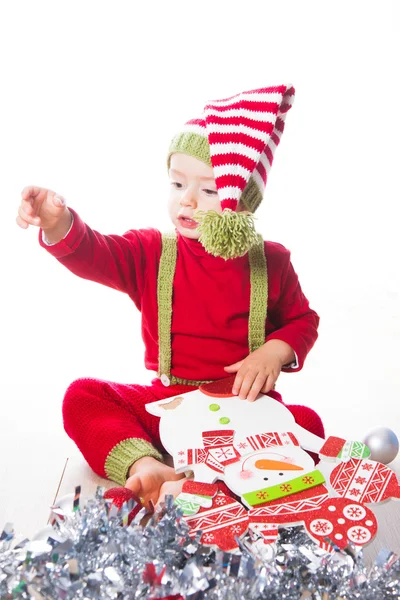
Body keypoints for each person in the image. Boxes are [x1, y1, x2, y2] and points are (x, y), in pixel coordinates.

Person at [16, 84, 324, 509]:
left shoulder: (269, 261)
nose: (188, 200)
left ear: (244, 199)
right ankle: (146, 466)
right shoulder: (153, 253)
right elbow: (97, 254)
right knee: (82, 395)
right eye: (177, 182)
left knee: (307, 423)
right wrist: (59, 223)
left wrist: (273, 352)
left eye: (211, 190)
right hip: (171, 403)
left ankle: (220, 482)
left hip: (244, 407)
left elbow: (303, 320)